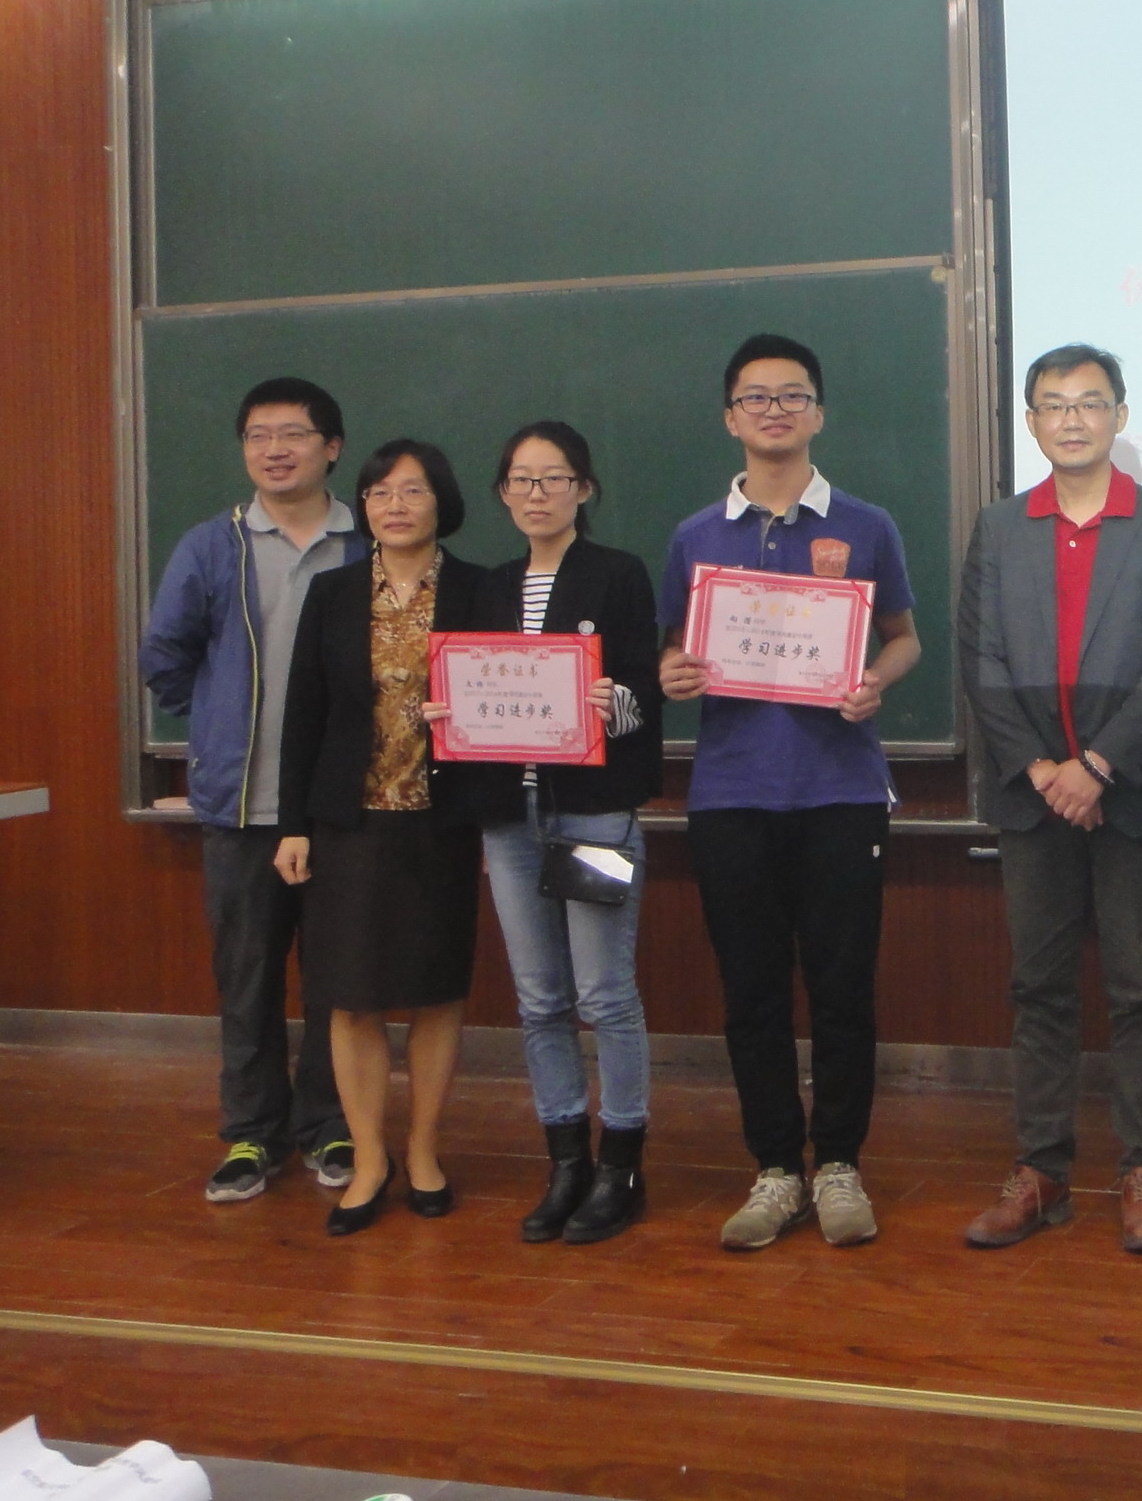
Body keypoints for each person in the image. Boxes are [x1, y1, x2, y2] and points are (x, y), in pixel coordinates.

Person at [658, 334, 922, 1252]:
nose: (774, 409)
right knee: (752, 991)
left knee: (843, 987)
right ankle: (776, 1168)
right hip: (731, 792)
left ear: (819, 412)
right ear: (730, 416)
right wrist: (672, 672)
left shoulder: (867, 524)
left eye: (792, 394)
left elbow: (905, 637)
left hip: (840, 790)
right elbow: (670, 649)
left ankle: (839, 1162)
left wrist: (876, 680)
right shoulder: (695, 535)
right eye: (756, 396)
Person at [957, 344, 1142, 1255]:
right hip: (1032, 798)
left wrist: (1096, 767)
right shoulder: (999, 528)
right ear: (1030, 422)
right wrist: (1043, 770)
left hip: (1132, 794)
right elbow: (983, 662)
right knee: (1038, 988)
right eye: (1053, 405)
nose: (1072, 419)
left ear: (1120, 417)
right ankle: (1042, 1169)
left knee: (1140, 989)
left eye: (1090, 403)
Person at [139, 377, 361, 1206]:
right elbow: (165, 656)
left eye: (293, 433)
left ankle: (331, 1124)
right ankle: (250, 1134)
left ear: (332, 447)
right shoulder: (212, 545)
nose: (275, 449)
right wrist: (222, 719)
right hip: (242, 807)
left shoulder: (369, 540)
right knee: (247, 978)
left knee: (341, 979)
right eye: (258, 435)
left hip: (342, 806)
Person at [273, 440, 497, 1236]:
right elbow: (302, 715)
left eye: (412, 491)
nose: (393, 506)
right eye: (377, 493)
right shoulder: (332, 593)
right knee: (350, 995)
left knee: (436, 991)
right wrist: (293, 825)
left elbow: (514, 700)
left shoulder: (481, 590)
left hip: (442, 820)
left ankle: (424, 1151)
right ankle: (368, 1160)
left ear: (443, 502)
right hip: (349, 821)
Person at [474, 422, 666, 1246]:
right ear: (503, 493)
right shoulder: (488, 586)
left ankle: (621, 1166)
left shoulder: (617, 574)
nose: (537, 493)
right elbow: (471, 682)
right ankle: (565, 1162)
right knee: (540, 1000)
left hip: (593, 811)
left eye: (554, 478)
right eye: (521, 479)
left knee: (603, 995)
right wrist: (452, 711)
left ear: (583, 489)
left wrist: (606, 700)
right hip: (509, 817)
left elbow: (646, 691)